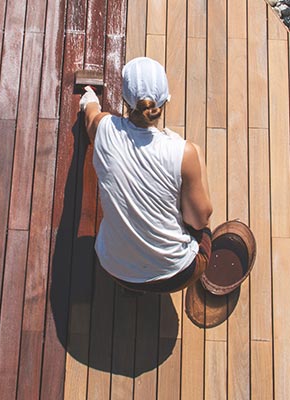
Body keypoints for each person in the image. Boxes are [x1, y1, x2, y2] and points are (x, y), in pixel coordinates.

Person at [79, 57, 213, 293]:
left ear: (125, 101)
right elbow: (199, 220)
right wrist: (195, 156)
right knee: (202, 219)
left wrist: (89, 97)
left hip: (115, 268)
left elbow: (90, 114)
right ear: (165, 101)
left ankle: (135, 287)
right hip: (177, 274)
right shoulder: (182, 152)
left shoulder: (103, 129)